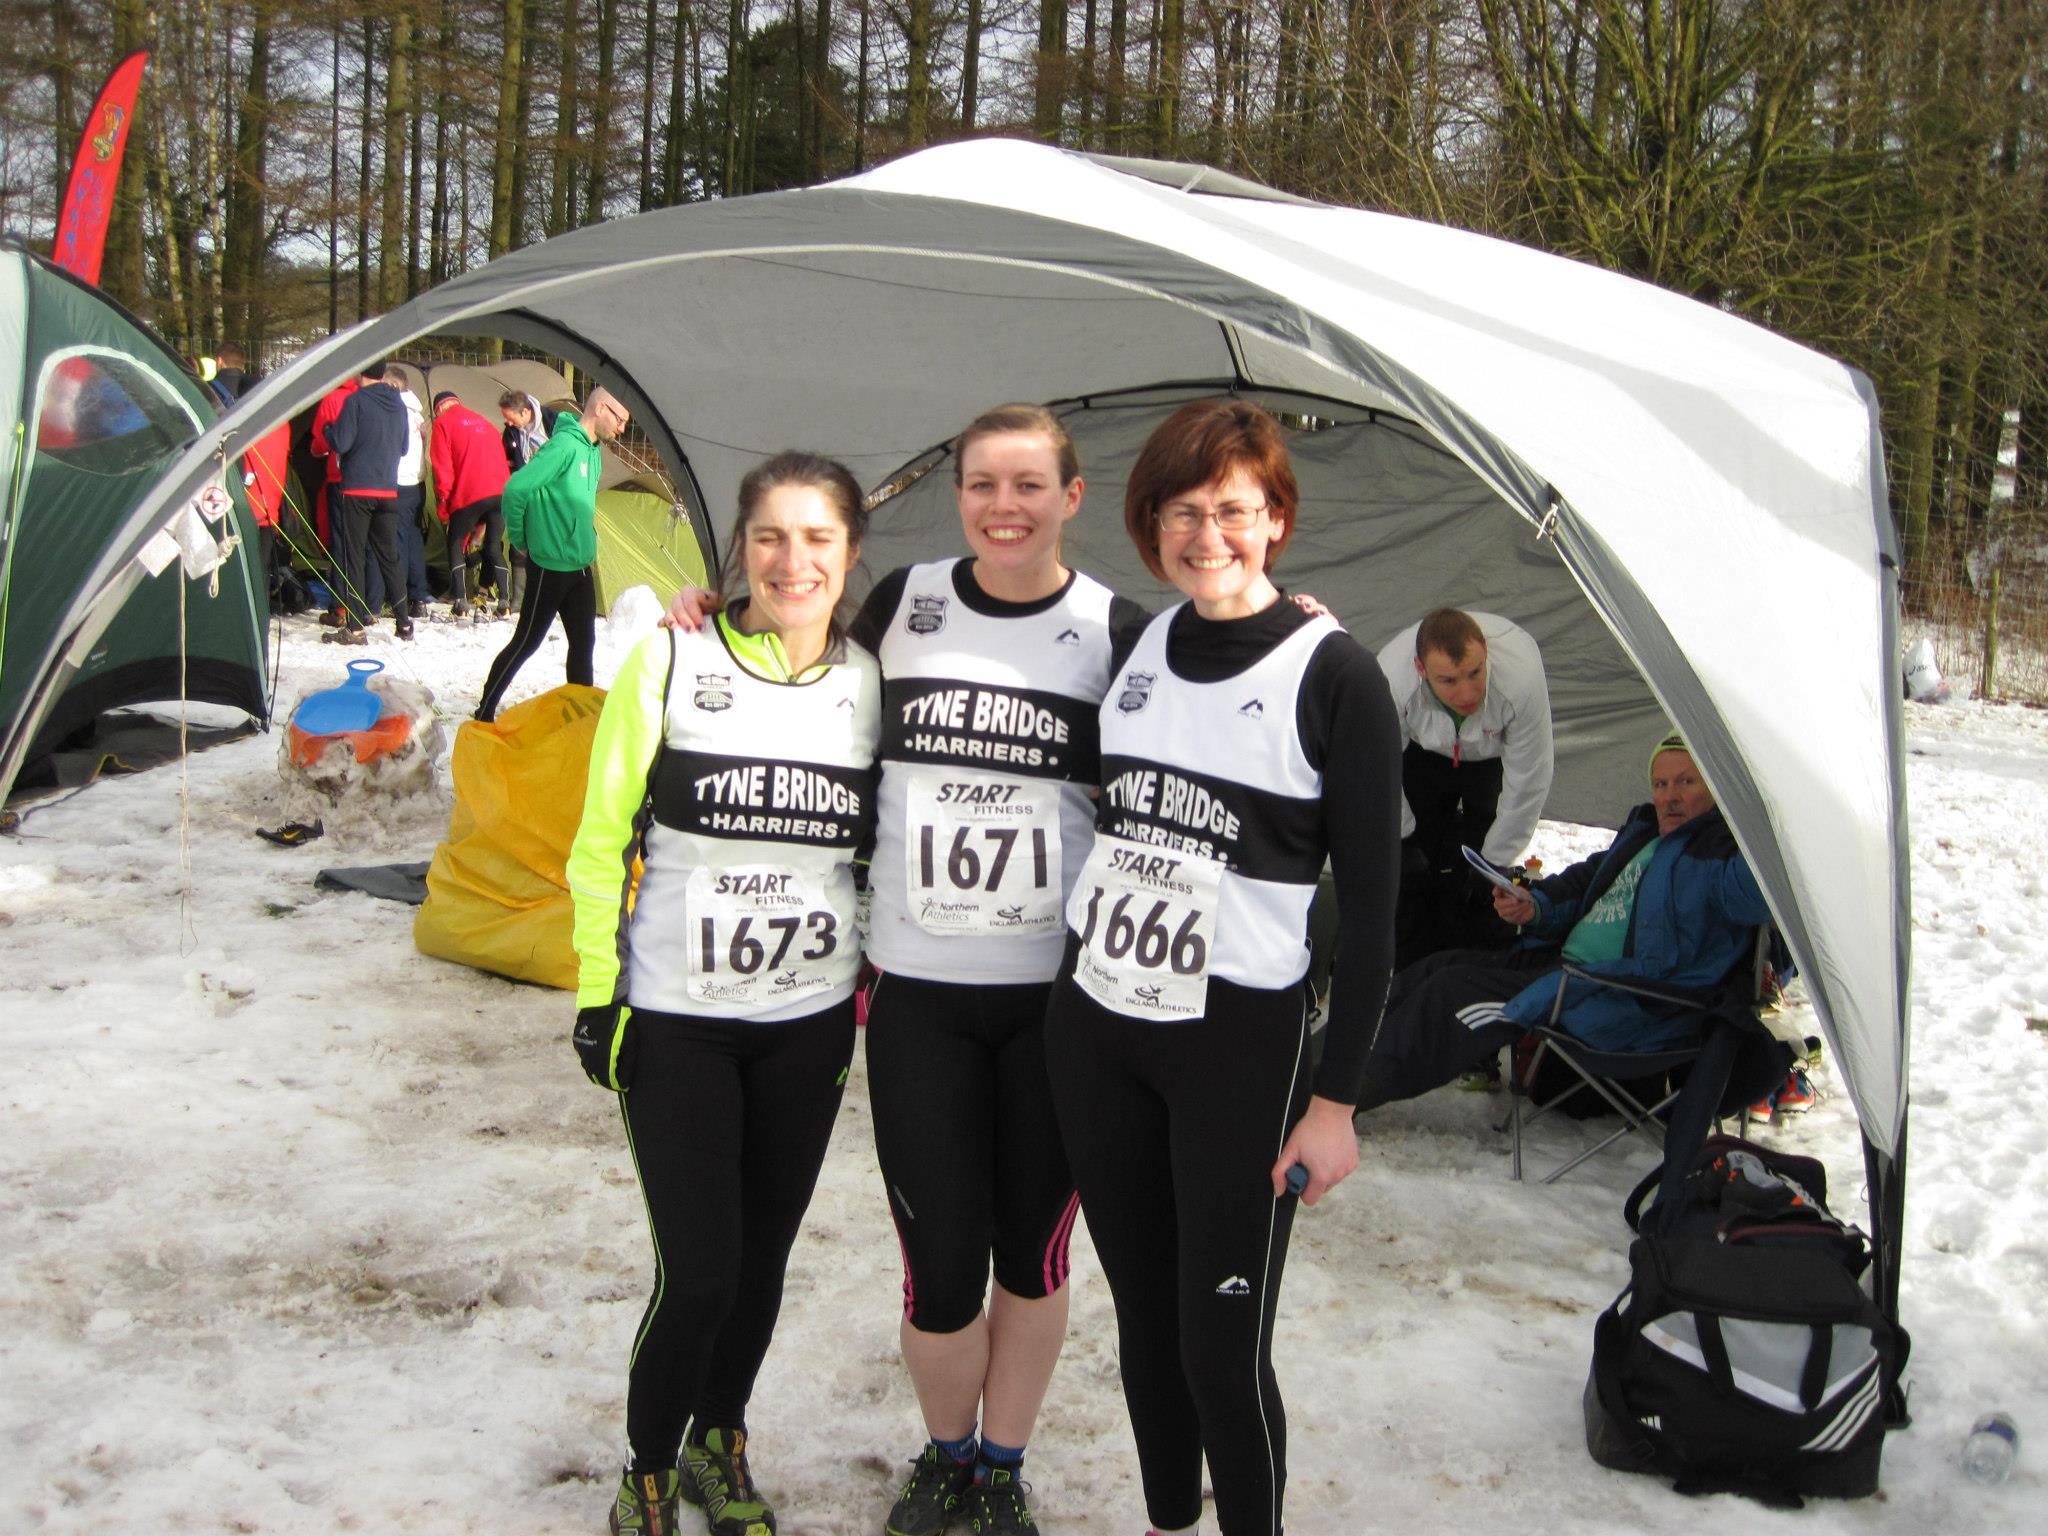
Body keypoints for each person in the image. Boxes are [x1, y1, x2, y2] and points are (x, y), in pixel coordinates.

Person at [663, 403, 1148, 1536]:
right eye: (982, 483)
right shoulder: (903, 606)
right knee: (938, 1266)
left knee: (1030, 1259)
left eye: (1028, 484)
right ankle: (943, 1458)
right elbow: (794, 642)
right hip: (919, 998)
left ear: (1069, 498)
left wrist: (1293, 622)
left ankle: (1001, 1466)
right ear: (960, 496)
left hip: (1052, 1007)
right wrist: (707, 613)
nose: (1004, 506)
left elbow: (1216, 687)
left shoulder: (1116, 630)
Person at [1042, 399, 1402, 1536]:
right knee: (1144, 1327)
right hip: (1097, 1028)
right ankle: (1164, 1523)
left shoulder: (1332, 673)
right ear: (1149, 526)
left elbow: (1380, 917)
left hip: (1234, 1052)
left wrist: (1335, 1100)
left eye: (1235, 511)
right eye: (1183, 513)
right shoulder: (1134, 645)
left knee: (1219, 1345)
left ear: (1276, 519)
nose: (1210, 535)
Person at [566, 451, 882, 1536]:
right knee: (697, 1271)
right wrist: (598, 992)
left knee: (757, 1266)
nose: (792, 562)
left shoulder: (868, 683)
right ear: (736, 549)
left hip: (805, 1024)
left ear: (849, 556)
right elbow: (601, 839)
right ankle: (646, 1467)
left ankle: (719, 1437)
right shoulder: (669, 657)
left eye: (817, 540)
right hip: (679, 1019)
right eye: (769, 538)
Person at [1354, 731, 1770, 1113]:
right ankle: (1325, 1065)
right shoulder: (1643, 837)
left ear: (1716, 790)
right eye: (1661, 784)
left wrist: (1758, 813)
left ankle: (1336, 1099)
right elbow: (1582, 883)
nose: (1670, 796)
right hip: (1563, 969)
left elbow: (1760, 891)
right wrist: (1535, 907)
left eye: (1686, 782)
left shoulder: (1720, 858)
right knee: (1437, 967)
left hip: (1622, 996)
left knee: (1450, 995)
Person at [1376, 608, 1553, 971]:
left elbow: (1530, 775)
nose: (1467, 692)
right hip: (1423, 752)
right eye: (1449, 681)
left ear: (1486, 655)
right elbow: (1376, 768)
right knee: (1411, 868)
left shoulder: (1520, 677)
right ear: (1421, 671)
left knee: (1481, 875)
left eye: (1475, 673)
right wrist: (1402, 838)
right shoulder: (1392, 677)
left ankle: (1476, 967)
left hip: (1490, 757)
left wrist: (1496, 858)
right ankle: (1408, 969)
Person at [473, 386, 627, 721]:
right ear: (601, 408)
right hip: (550, 567)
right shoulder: (564, 447)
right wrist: (520, 538)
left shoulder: (593, 450)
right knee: (526, 642)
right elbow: (516, 489)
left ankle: (582, 722)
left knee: (583, 647)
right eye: (620, 419)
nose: (622, 428)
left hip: (581, 565)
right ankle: (484, 711)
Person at [323, 361, 412, 645]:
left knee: (354, 556)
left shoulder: (355, 401)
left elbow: (342, 441)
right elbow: (404, 447)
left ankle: (356, 626)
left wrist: (328, 430)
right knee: (389, 556)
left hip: (358, 489)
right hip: (388, 489)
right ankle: (404, 623)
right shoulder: (398, 405)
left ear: (360, 373)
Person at [429, 391, 510, 621]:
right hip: (501, 492)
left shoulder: (443, 424)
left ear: (438, 409)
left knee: (454, 543)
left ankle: (461, 601)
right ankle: (504, 602)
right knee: (494, 546)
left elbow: (442, 468)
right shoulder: (484, 421)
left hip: (470, 492)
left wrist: (444, 504)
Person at [499, 388, 560, 616]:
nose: (507, 422)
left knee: (550, 547)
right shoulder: (510, 433)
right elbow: (510, 465)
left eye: (510, 417)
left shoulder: (553, 421)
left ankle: (551, 601)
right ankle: (520, 599)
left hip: (553, 495)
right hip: (527, 496)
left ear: (525, 412)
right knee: (520, 546)